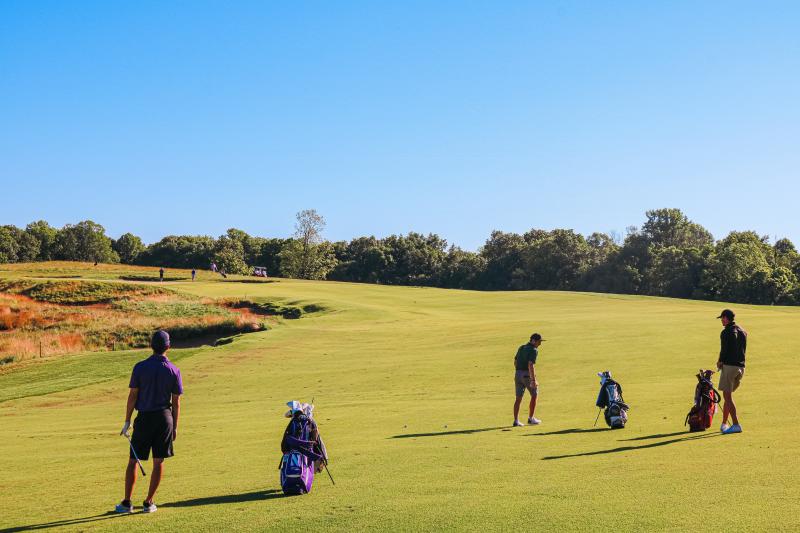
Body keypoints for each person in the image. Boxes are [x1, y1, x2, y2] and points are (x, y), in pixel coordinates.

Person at [115, 330, 183, 514]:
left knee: (133, 461)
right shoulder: (174, 370)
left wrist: (127, 420)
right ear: (168, 347)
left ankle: (127, 503)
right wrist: (175, 426)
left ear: (151, 345)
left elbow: (132, 396)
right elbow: (176, 402)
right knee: (158, 461)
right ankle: (148, 502)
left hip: (144, 418)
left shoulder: (140, 367)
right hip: (164, 419)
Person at [716, 309, 747, 434]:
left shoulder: (726, 332)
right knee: (728, 396)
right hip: (741, 367)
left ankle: (736, 424)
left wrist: (720, 361)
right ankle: (724, 424)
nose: (721, 321)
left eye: (722, 318)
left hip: (730, 367)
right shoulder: (743, 331)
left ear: (726, 318)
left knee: (727, 397)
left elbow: (724, 349)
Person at [512, 333, 544, 427]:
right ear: (533, 341)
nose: (540, 344)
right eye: (539, 341)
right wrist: (533, 380)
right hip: (527, 375)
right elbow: (530, 364)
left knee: (518, 398)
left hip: (517, 374)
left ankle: (516, 420)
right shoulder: (534, 350)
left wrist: (519, 372)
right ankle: (531, 418)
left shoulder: (521, 347)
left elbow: (515, 361)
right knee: (534, 394)